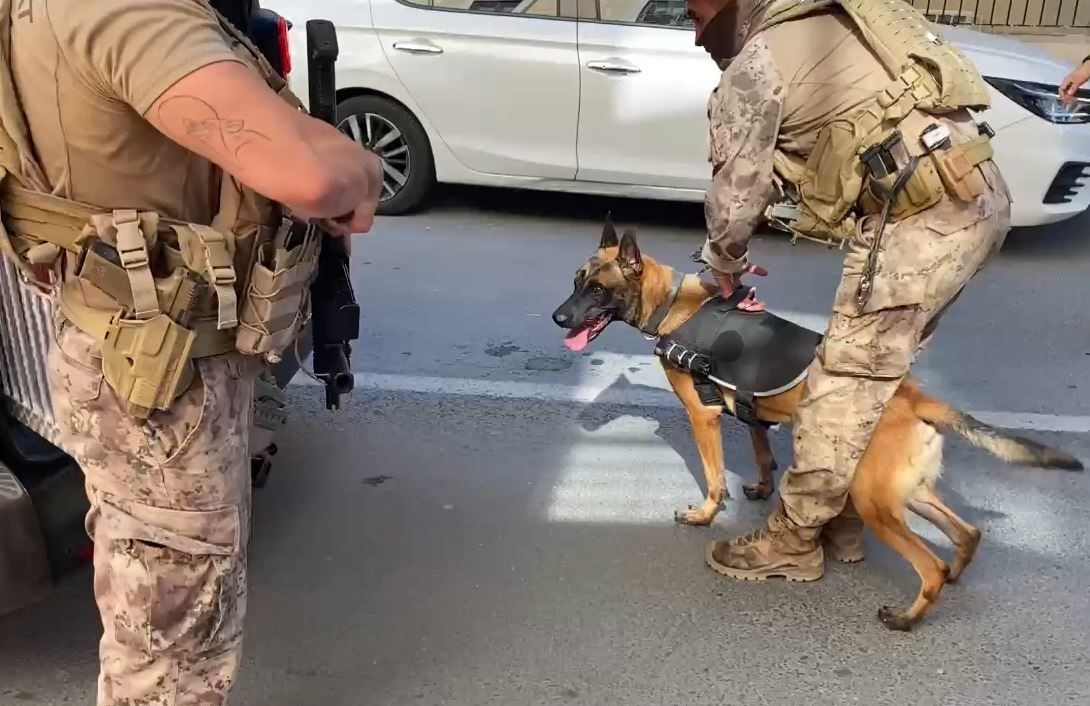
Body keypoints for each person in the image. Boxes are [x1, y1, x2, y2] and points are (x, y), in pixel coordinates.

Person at [2, 0, 381, 703]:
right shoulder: (129, 11)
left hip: (127, 347)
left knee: (152, 594)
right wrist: (358, 169)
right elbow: (310, 178)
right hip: (164, 371)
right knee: (173, 647)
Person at [687, 0, 1012, 581]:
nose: (695, 38)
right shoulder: (846, 14)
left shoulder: (756, 62)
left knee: (840, 385)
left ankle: (793, 538)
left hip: (923, 220)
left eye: (695, 17)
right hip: (975, 198)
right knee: (870, 376)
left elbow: (737, 191)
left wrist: (725, 262)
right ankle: (844, 522)